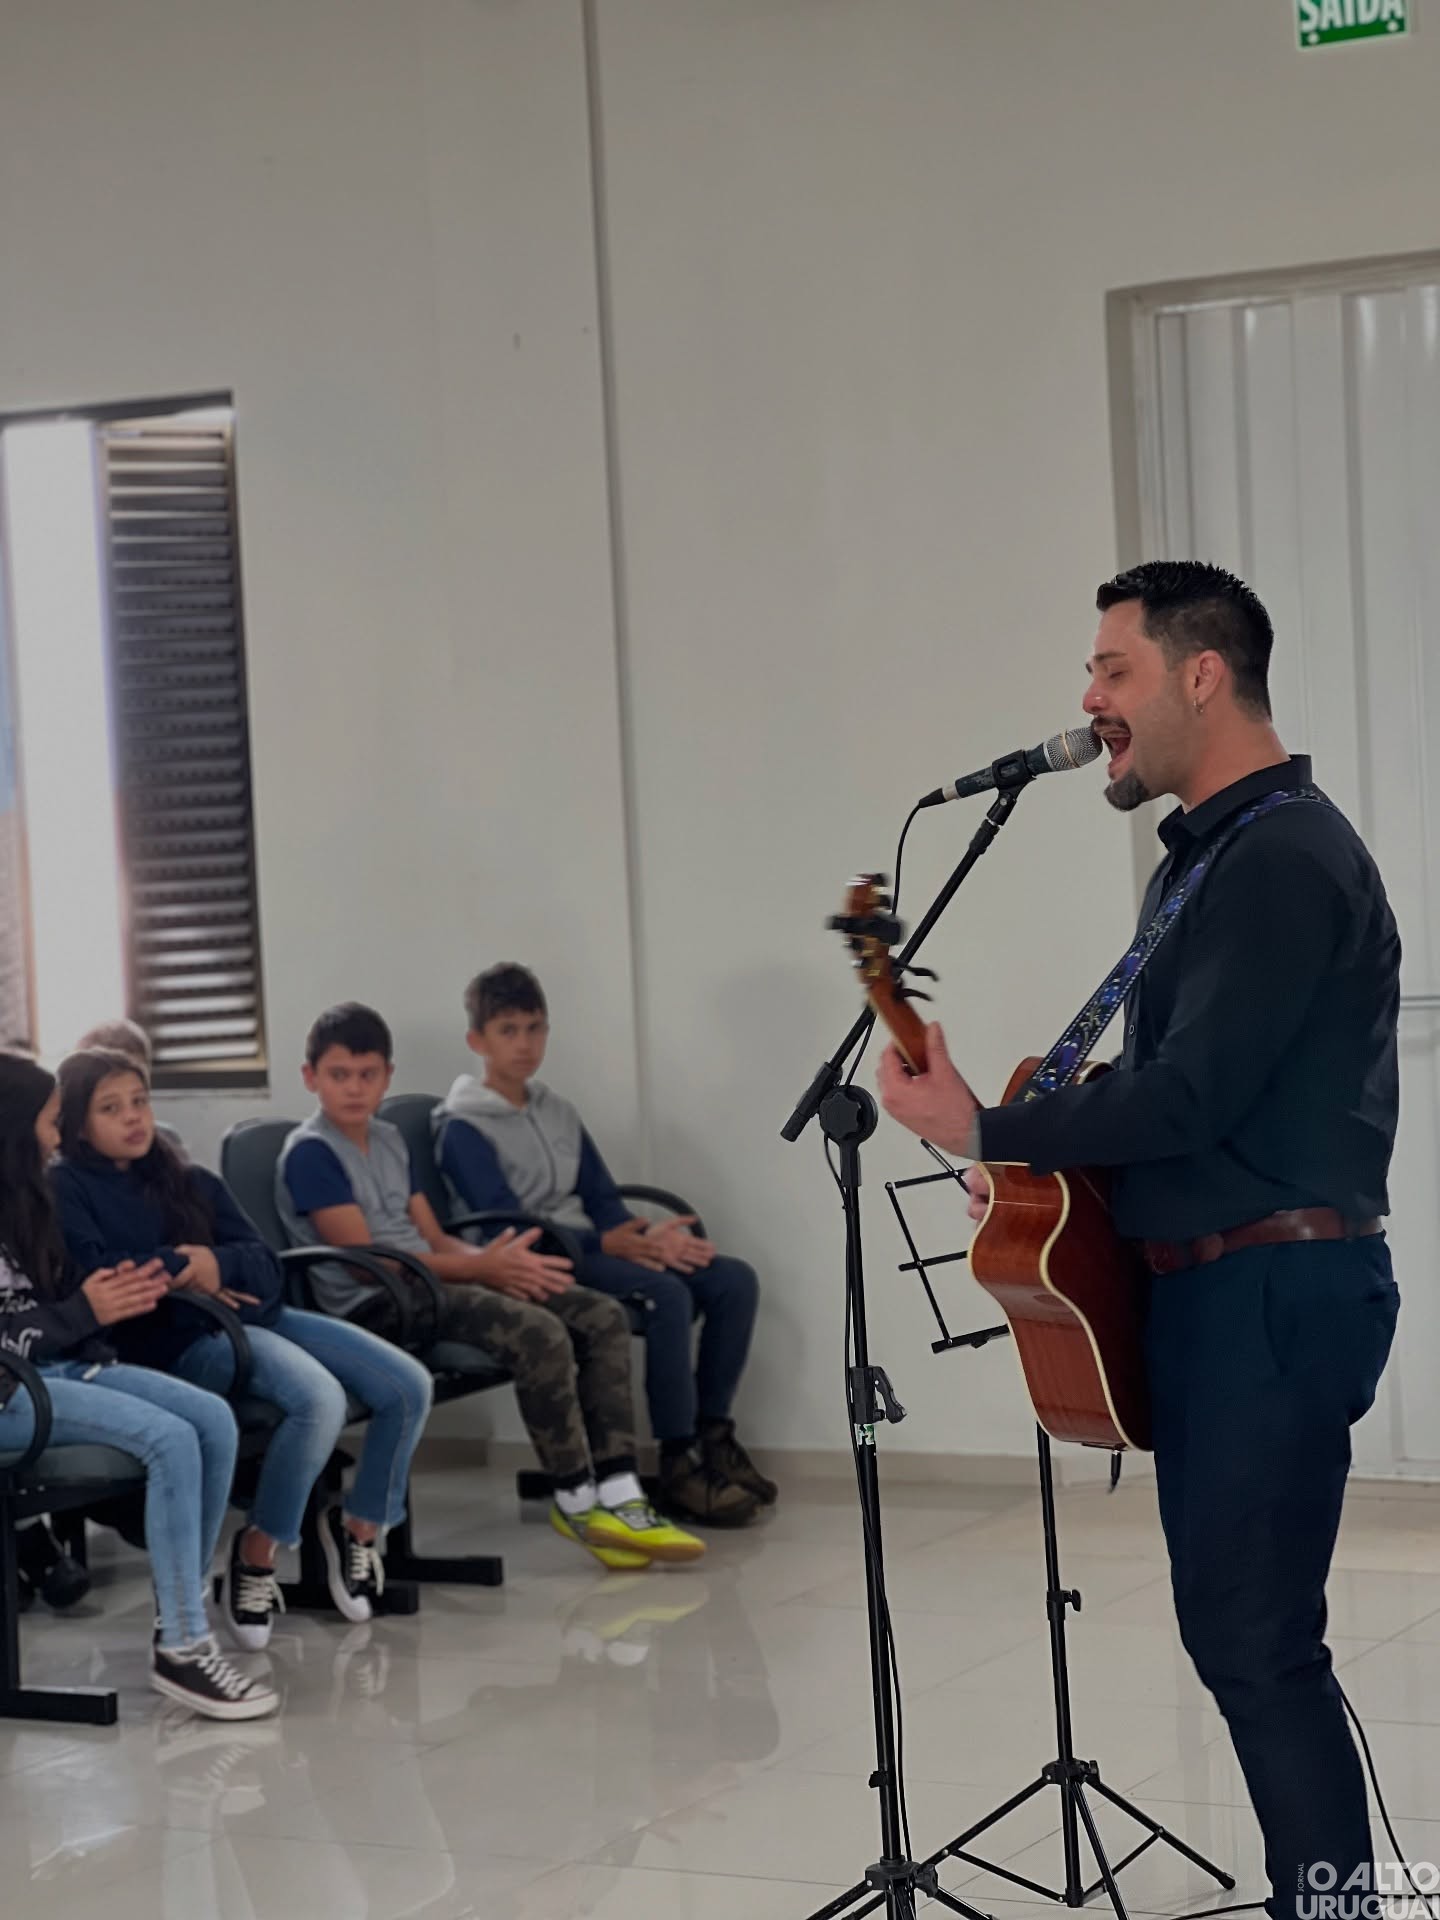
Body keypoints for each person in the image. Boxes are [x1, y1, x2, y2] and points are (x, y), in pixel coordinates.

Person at [877, 561, 1400, 1920]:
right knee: (1247, 1638)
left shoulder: (1280, 859)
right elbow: (1189, 1089)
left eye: (1114, 670)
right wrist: (1038, 1154)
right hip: (1230, 1294)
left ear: (1201, 675)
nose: (1090, 700)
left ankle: (1333, 1909)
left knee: (1259, 1645)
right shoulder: (1217, 853)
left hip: (1270, 1293)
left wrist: (990, 1129)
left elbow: (1194, 1098)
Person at [275, 1002, 706, 1570]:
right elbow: (368, 1262)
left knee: (599, 1315)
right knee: (538, 1331)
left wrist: (501, 1261)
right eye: (339, 1075)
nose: (354, 1088)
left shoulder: (389, 1139)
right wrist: (484, 1270)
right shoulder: (311, 1152)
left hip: (433, 1281)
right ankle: (576, 1499)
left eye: (367, 1074)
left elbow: (434, 1236)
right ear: (310, 1078)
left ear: (387, 1076)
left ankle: (622, 1491)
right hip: (377, 1303)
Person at [52, 1047, 435, 1644]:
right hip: (180, 1341)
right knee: (319, 1399)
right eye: (111, 1108)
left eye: (140, 1102)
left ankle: (358, 1530)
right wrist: (190, 1267)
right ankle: (258, 1552)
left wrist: (217, 1265)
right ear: (78, 1124)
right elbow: (104, 1275)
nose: (132, 1117)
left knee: (408, 1385)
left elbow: (264, 1265)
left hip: (255, 1316)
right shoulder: (64, 1187)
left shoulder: (187, 1178)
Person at [435, 964, 772, 1526]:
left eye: (535, 1028)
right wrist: (607, 1244)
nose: (524, 1044)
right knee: (666, 1295)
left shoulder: (557, 1111)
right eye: (508, 1030)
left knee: (733, 1280)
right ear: (478, 1041)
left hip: (592, 1246)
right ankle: (677, 1461)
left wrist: (644, 1240)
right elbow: (504, 1228)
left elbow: (600, 1196)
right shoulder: (461, 1126)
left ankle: (713, 1436)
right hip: (538, 1260)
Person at [0, 1051, 277, 1720]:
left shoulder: (30, 1197)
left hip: (56, 1367)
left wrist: (106, 1302)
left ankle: (180, 1616)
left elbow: (64, 1298)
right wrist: (83, 1313)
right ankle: (184, 1645)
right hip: (10, 1391)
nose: (56, 1136)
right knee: (169, 1438)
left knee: (212, 1420)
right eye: (48, 1121)